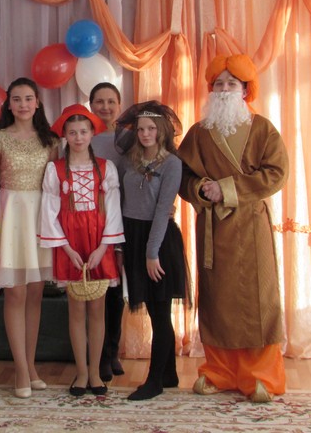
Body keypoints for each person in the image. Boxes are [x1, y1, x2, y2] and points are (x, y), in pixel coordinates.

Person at [176, 54, 289, 403]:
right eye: (219, 84)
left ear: (245, 90)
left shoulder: (263, 129)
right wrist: (201, 189)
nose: (224, 90)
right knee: (217, 299)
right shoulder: (198, 133)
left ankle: (262, 376)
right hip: (214, 228)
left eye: (232, 84)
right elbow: (182, 176)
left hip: (251, 225)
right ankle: (219, 372)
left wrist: (226, 188)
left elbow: (276, 173)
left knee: (258, 299)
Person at [40, 104, 124, 397]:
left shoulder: (106, 167)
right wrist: (65, 248)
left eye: (83, 132)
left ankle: (96, 372)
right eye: (73, 132)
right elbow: (49, 211)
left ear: (91, 134)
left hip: (99, 242)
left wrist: (104, 247)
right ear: (65, 135)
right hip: (70, 244)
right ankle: (81, 372)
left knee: (98, 310)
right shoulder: (55, 169)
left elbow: (112, 209)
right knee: (75, 310)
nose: (78, 137)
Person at [0, 77, 59, 399]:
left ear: (38, 102)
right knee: (15, 294)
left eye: (28, 98)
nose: (23, 104)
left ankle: (30, 366)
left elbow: (55, 187)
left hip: (40, 217)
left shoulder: (51, 140)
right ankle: (19, 369)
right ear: (8, 104)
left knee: (35, 294)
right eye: (16, 99)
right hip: (10, 215)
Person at [114, 101, 187, 401]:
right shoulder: (128, 161)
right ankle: (169, 373)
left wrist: (151, 253)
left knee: (159, 310)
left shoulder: (172, 164)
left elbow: (162, 210)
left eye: (151, 128)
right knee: (153, 308)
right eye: (141, 128)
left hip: (158, 240)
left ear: (162, 131)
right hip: (132, 235)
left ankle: (154, 380)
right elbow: (120, 200)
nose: (145, 133)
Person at [88, 82, 126, 382]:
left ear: (119, 104)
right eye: (99, 102)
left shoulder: (129, 138)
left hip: (125, 219)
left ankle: (113, 350)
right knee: (96, 288)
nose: (105, 107)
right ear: (91, 105)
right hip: (92, 223)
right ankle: (98, 354)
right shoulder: (83, 136)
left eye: (111, 101)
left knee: (116, 290)